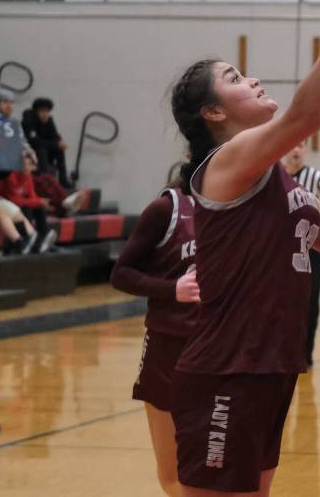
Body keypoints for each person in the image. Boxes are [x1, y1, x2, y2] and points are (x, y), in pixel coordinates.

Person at [168, 0, 320, 497]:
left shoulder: (285, 180)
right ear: (213, 112)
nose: (251, 79)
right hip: (227, 370)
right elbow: (307, 115)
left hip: (272, 367)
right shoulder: (226, 163)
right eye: (234, 79)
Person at [110, 184, 201, 497]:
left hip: (218, 351)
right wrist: (171, 288)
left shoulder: (237, 209)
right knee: (172, 475)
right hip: (168, 349)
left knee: (218, 474)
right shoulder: (168, 209)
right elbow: (121, 273)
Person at [282, 140, 320, 365]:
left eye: (301, 145)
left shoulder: (316, 178)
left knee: (309, 302)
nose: (296, 149)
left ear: (306, 150)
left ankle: (305, 354)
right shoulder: (273, 177)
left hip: (310, 252)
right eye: (292, 145)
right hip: (280, 252)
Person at [0, 151, 55, 253]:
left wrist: (40, 203)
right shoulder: (10, 176)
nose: (26, 167)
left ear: (32, 166)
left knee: (38, 207)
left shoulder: (28, 176)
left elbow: (32, 196)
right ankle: (28, 241)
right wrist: (38, 201)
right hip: (3, 203)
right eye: (23, 164)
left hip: (16, 204)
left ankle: (43, 237)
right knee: (27, 207)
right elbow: (14, 200)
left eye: (29, 164)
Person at [22, 97, 72, 188]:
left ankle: (63, 180)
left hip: (45, 149)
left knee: (59, 150)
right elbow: (34, 141)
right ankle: (45, 180)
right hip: (31, 152)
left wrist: (60, 142)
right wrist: (54, 144)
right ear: (36, 112)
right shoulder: (29, 120)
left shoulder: (49, 120)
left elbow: (55, 135)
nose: (45, 114)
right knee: (41, 149)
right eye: (42, 111)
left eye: (47, 111)